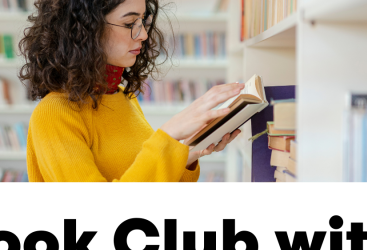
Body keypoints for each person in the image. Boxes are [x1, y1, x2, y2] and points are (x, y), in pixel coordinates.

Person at [19, 0, 244, 182]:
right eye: (129, 24)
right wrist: (168, 135)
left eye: (142, 21)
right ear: (85, 28)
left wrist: (185, 153)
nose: (144, 35)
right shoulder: (53, 115)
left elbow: (143, 179)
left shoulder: (121, 96)